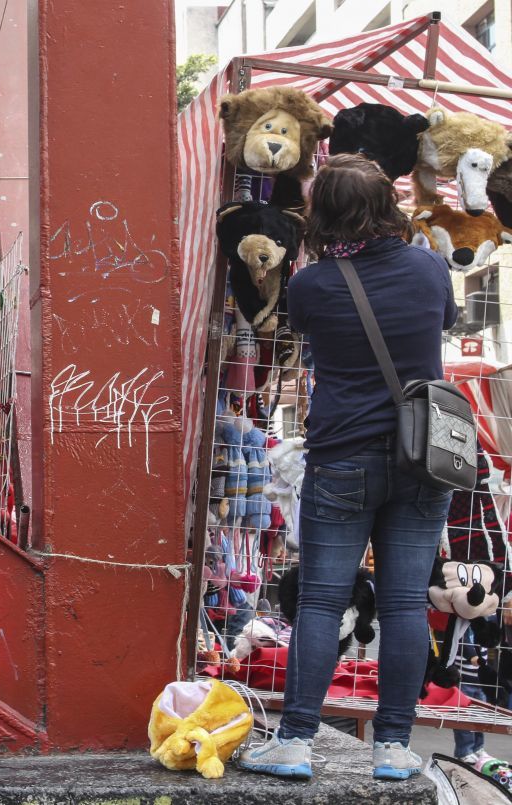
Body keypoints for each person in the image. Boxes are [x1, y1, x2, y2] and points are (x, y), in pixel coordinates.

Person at [238, 154, 457, 781]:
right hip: (424, 457)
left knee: (322, 602)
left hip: (342, 457)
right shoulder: (427, 266)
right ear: (388, 206)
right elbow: (441, 321)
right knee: (407, 603)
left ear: (324, 214)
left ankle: (297, 740)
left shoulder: (312, 283)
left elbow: (302, 329)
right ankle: (391, 748)